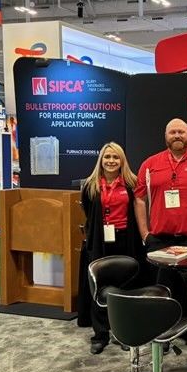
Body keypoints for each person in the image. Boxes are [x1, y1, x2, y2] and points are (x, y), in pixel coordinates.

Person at [134, 118, 187, 317]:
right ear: (166, 136)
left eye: (181, 132)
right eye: (173, 132)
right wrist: (145, 234)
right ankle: (166, 330)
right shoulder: (150, 164)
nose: (177, 136)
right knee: (164, 293)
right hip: (161, 240)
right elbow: (139, 199)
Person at [78, 141, 144, 354]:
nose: (111, 161)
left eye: (116, 157)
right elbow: (89, 212)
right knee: (99, 286)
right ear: (101, 160)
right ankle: (100, 334)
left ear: (122, 161)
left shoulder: (132, 183)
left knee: (125, 287)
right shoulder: (90, 185)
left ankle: (124, 332)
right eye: (107, 157)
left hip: (126, 239)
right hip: (100, 241)